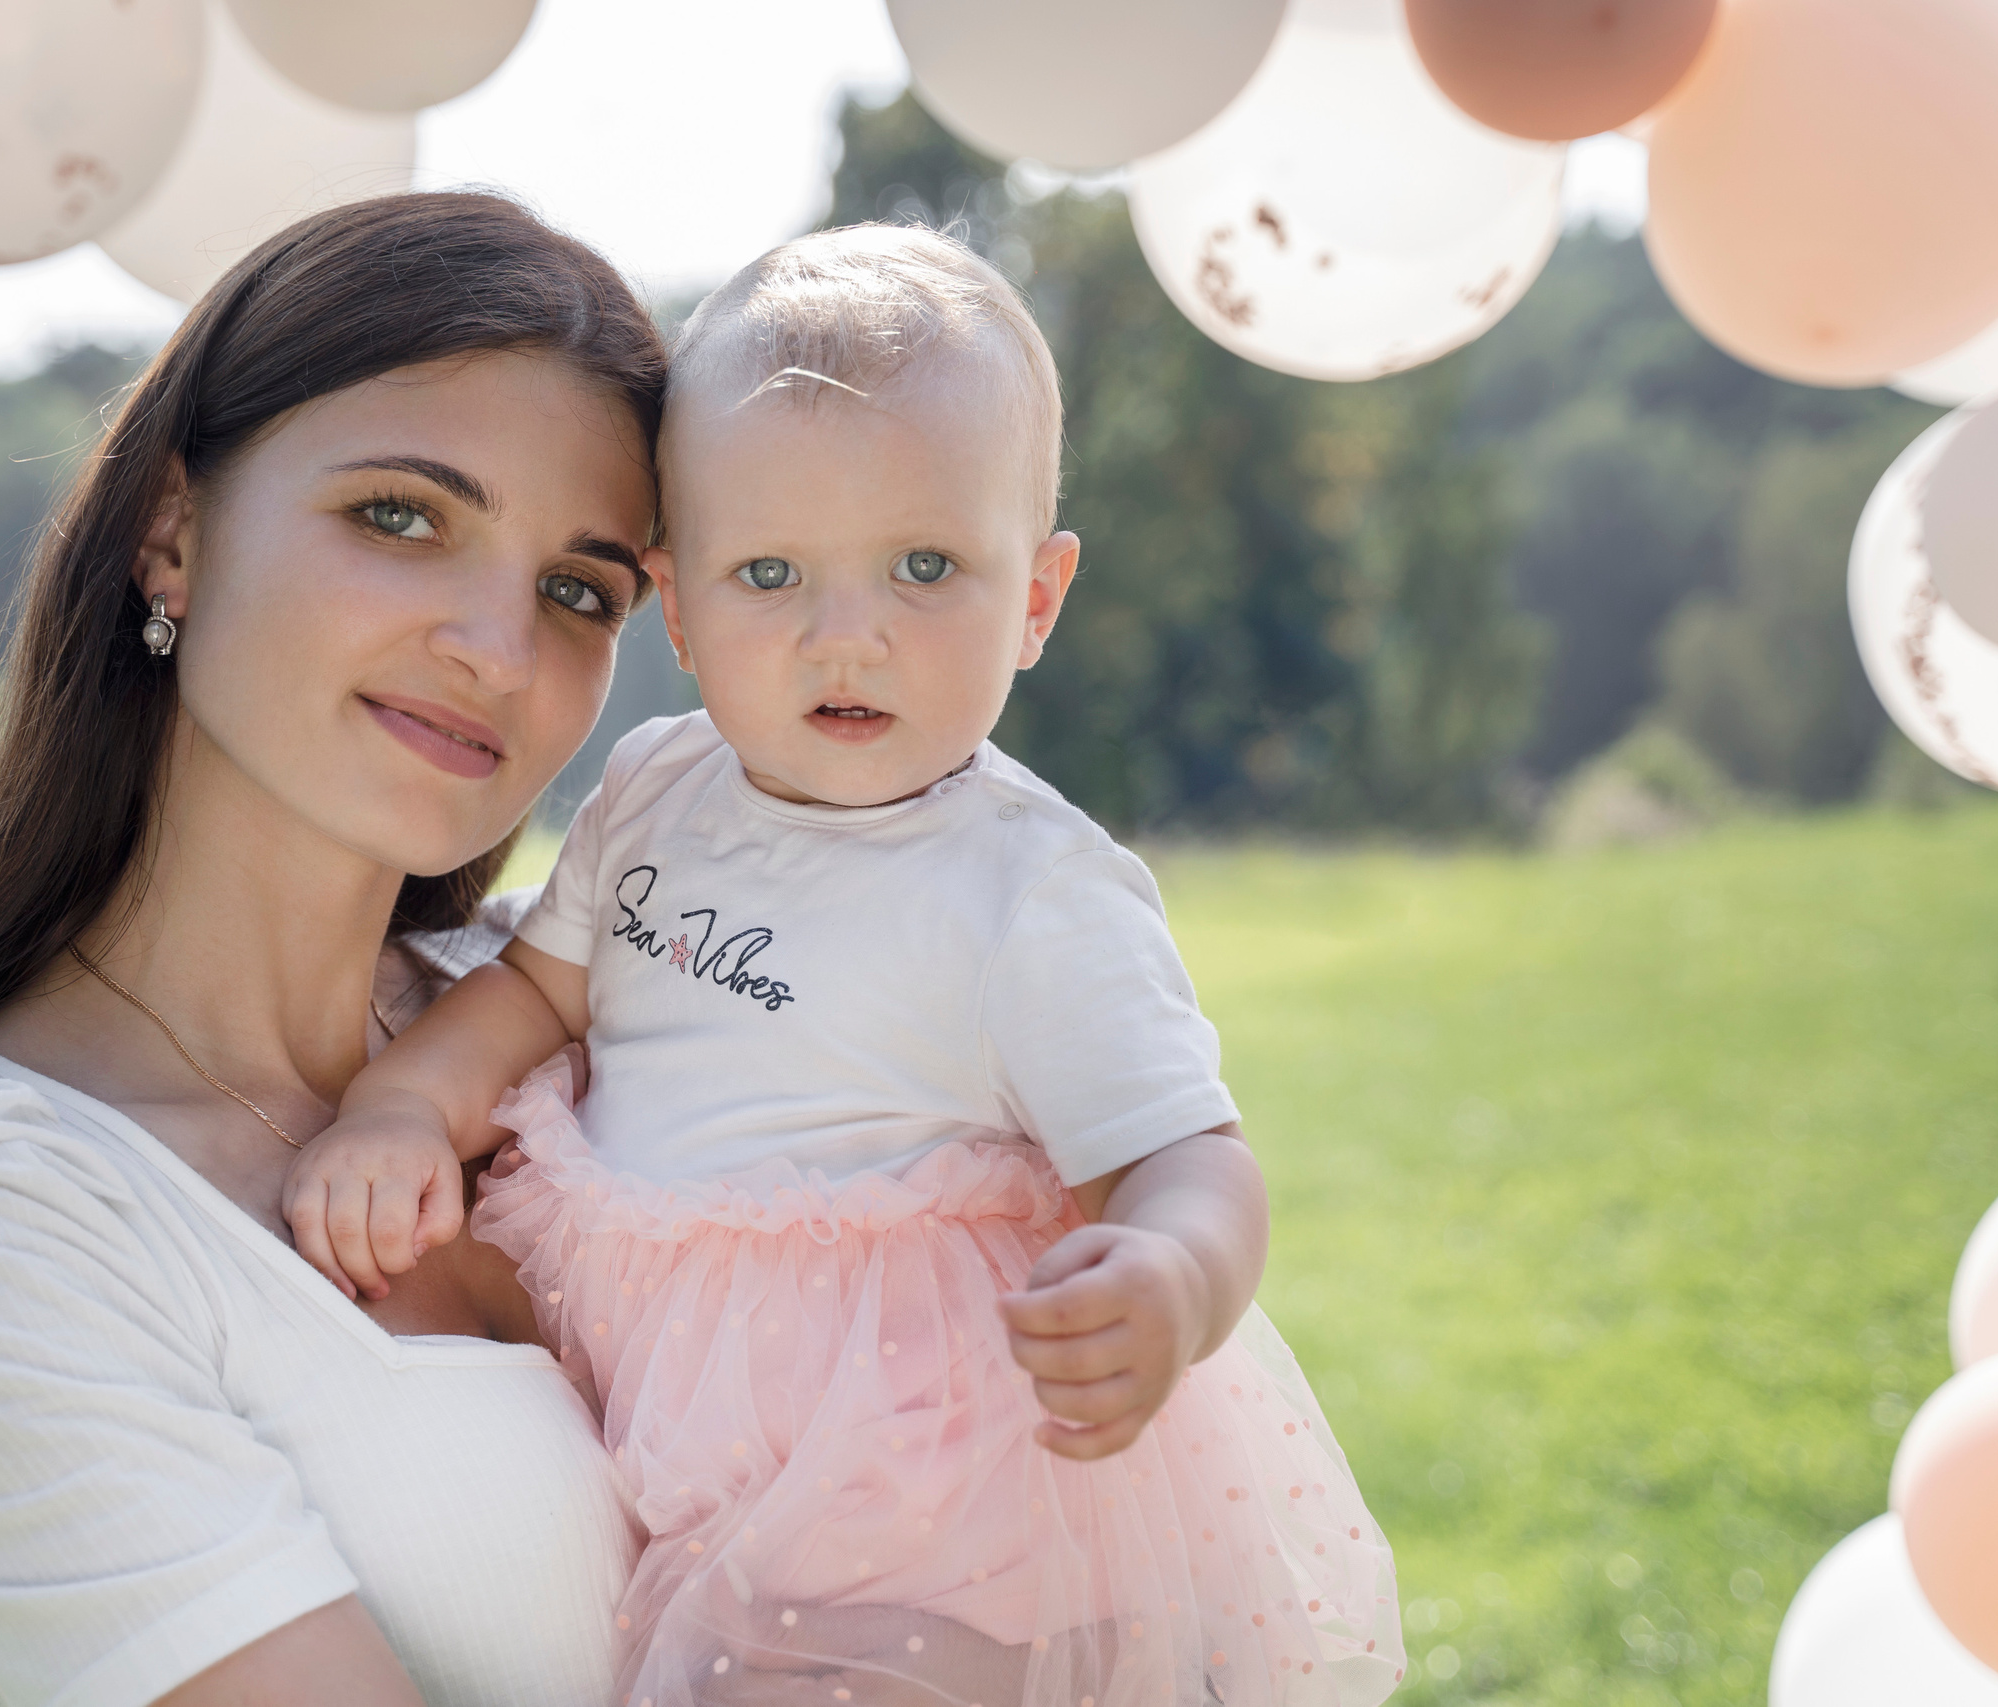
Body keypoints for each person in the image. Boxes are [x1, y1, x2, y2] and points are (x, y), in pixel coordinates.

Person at [286, 225, 1405, 1707]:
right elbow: (534, 993)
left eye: (925, 568)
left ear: (1037, 599)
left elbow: (1188, 1153)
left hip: (920, 1487)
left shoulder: (1028, 891)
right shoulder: (659, 794)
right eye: (771, 576)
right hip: (678, 1424)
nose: (847, 637)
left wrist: (1171, 1272)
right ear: (678, 609)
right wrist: (404, 1108)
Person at [0, 192, 667, 1707]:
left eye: (579, 590)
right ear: (173, 530)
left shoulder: (632, 1006)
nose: (499, 648)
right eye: (402, 516)